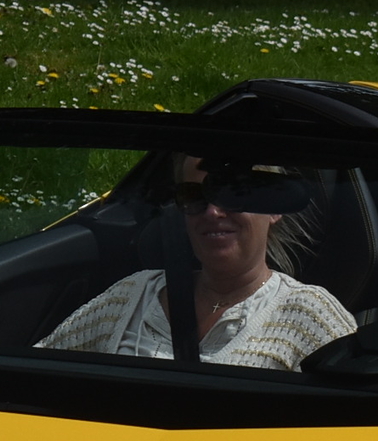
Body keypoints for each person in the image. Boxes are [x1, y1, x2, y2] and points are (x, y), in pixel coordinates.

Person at [38, 154, 356, 372]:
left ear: (273, 208)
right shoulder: (134, 294)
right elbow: (36, 374)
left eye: (233, 192)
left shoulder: (309, 314)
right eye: (194, 195)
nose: (213, 211)